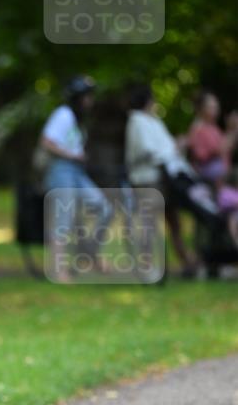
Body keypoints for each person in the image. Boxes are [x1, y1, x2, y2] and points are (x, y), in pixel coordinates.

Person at [39, 75, 112, 281]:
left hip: (76, 172)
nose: (91, 100)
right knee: (63, 220)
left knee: (103, 207)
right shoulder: (63, 114)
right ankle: (59, 271)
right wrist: (72, 155)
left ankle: (89, 253)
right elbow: (47, 141)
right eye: (87, 96)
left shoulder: (77, 119)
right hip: (62, 171)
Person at [125, 84, 200, 276]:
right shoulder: (137, 121)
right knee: (149, 223)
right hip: (146, 180)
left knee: (173, 221)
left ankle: (187, 262)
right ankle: (147, 267)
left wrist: (176, 146)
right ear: (147, 101)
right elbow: (147, 150)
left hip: (165, 179)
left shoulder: (153, 121)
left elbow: (165, 146)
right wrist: (173, 149)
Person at [185, 91, 238, 185]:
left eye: (216, 106)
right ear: (201, 109)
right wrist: (233, 131)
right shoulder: (198, 128)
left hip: (222, 176)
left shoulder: (213, 127)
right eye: (212, 107)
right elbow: (219, 150)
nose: (216, 109)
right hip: (211, 180)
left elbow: (227, 151)